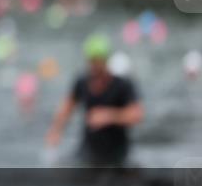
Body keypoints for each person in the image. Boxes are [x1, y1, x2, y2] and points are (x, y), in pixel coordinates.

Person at [45, 34, 144, 166]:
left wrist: (109, 116)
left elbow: (137, 114)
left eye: (98, 61)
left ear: (106, 61)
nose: (94, 66)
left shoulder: (122, 85)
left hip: (116, 153)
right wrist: (56, 130)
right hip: (87, 149)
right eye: (91, 61)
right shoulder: (82, 82)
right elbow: (67, 107)